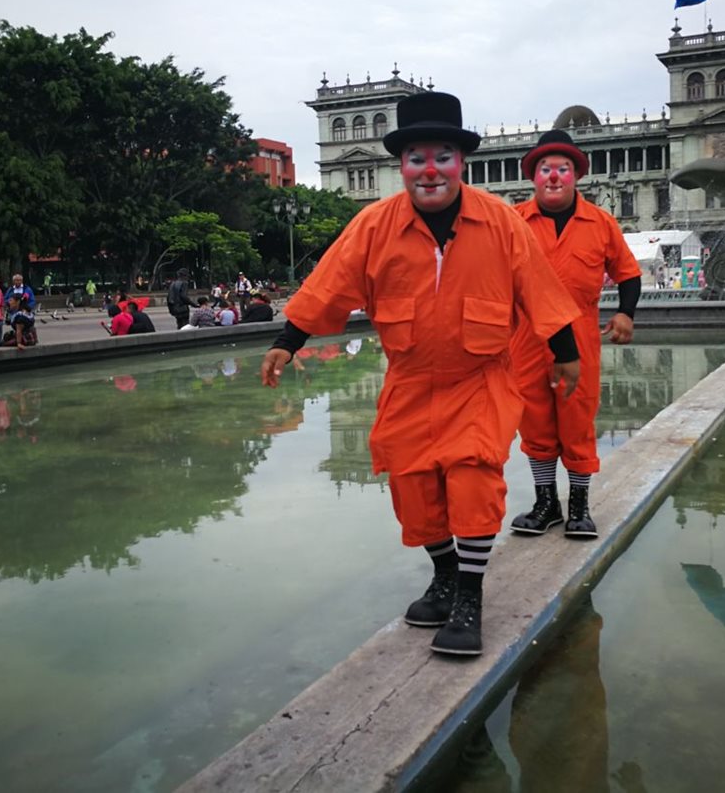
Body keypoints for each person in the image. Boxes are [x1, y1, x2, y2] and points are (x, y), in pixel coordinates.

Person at [260, 91, 581, 657]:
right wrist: (288, 341)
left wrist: (566, 353)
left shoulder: (501, 222)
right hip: (408, 382)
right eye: (416, 157)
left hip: (478, 380)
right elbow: (329, 285)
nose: (429, 170)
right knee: (411, 487)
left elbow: (539, 291)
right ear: (401, 165)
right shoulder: (373, 226)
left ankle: (469, 600)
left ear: (461, 162)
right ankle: (445, 572)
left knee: (473, 482)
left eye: (441, 156)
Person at [509, 130, 642, 540]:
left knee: (578, 418)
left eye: (562, 169)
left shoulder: (600, 223)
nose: (553, 176)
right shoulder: (513, 221)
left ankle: (580, 506)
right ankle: (546, 503)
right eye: (545, 169)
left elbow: (629, 274)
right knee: (533, 420)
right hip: (525, 339)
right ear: (534, 176)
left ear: (576, 176)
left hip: (579, 335)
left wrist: (625, 314)